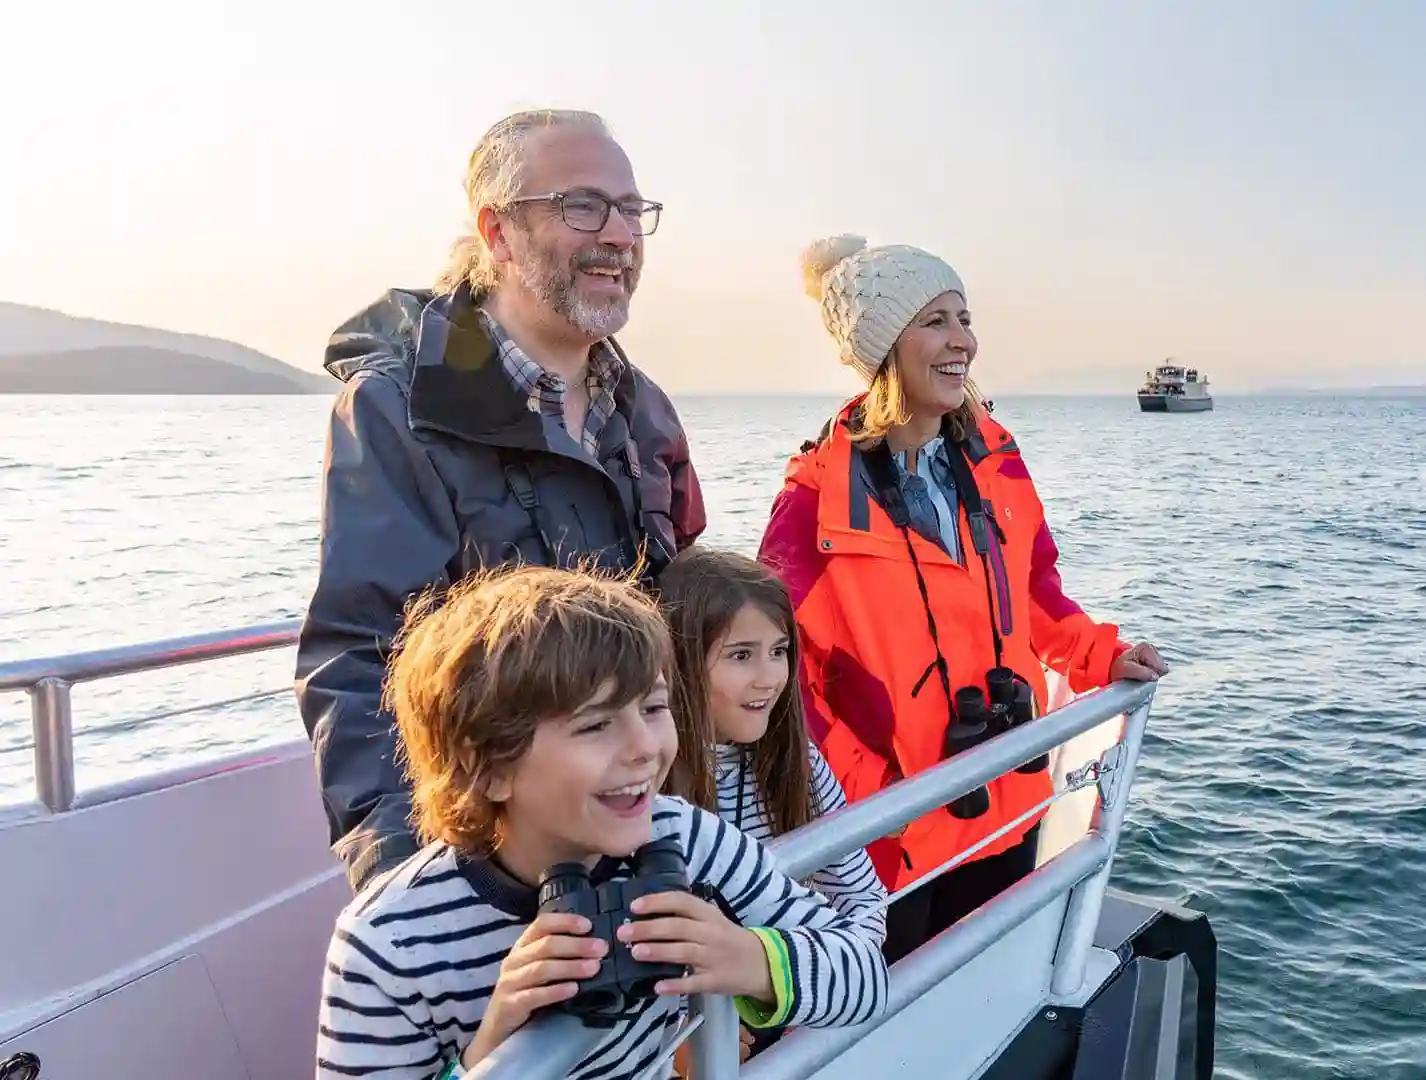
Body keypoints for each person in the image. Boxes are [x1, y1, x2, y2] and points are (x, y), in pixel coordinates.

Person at [295, 108, 706, 893]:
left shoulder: (644, 410)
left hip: (645, 838)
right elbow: (358, 659)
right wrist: (411, 883)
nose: (619, 235)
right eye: (583, 205)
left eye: (631, 210)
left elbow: (683, 622)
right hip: (502, 866)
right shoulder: (399, 411)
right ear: (498, 231)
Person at [758, 235, 1168, 962]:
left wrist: (1103, 656)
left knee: (983, 988)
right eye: (937, 321)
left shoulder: (995, 459)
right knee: (887, 1023)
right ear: (885, 347)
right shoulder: (813, 500)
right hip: (890, 841)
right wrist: (874, 794)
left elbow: (1038, 595)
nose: (965, 342)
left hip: (1006, 801)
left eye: (965, 317)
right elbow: (781, 673)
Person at [314, 565, 887, 1080]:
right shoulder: (389, 943)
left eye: (654, 708)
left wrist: (750, 958)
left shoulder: (681, 836)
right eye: (595, 726)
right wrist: (490, 1055)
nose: (646, 748)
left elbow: (864, 975)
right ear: (485, 769)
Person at [657, 547, 890, 1060]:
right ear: (679, 662)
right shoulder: (644, 784)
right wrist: (673, 1036)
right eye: (741, 655)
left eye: (779, 650)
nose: (770, 677)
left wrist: (794, 999)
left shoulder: (798, 763)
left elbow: (863, 900)